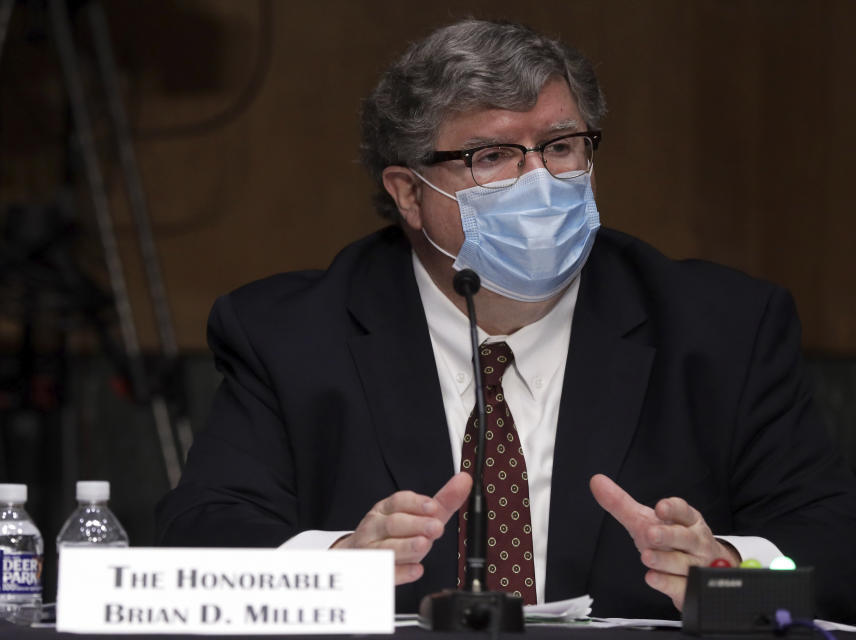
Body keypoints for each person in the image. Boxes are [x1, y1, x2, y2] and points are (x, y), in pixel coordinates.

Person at [156, 19, 856, 621]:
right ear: (407, 193)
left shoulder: (721, 330)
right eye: (491, 157)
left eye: (559, 147)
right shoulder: (290, 336)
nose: (539, 183)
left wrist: (729, 572)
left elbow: (836, 544)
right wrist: (336, 565)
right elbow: (200, 539)